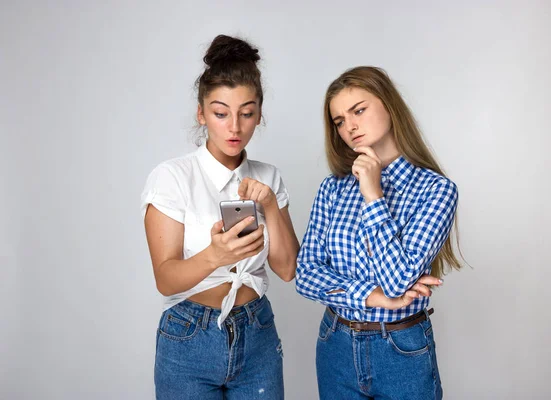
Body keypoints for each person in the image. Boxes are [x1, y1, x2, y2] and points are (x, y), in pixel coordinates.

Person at [141, 34, 298, 400]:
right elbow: (166, 279)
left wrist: (271, 206)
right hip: (189, 337)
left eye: (246, 113)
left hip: (257, 331)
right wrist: (217, 256)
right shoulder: (172, 177)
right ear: (202, 113)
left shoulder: (268, 176)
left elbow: (288, 269)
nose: (234, 127)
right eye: (220, 113)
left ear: (259, 114)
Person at [296, 66, 462, 400]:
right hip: (336, 344)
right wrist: (375, 298)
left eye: (359, 110)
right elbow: (306, 275)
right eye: (339, 120)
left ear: (389, 105)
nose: (350, 126)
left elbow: (398, 280)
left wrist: (373, 194)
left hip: (401, 349)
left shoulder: (436, 190)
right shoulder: (333, 188)